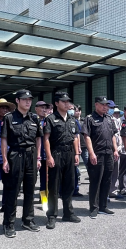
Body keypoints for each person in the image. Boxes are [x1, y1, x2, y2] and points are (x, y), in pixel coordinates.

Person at [1, 90, 43, 238]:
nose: (28, 102)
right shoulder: (9, 118)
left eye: (30, 99)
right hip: (16, 155)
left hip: (31, 156)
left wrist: (38, 157)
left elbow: (38, 138)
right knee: (13, 191)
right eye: (24, 99)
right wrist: (5, 160)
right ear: (17, 101)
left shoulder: (34, 118)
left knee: (30, 190)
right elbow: (4, 139)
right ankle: (9, 223)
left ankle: (28, 220)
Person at [43, 92, 81, 229]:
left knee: (69, 184)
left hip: (69, 153)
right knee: (54, 186)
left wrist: (76, 153)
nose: (67, 104)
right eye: (63, 101)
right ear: (56, 103)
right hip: (56, 153)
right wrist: (49, 156)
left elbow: (75, 137)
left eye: (68, 101)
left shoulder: (72, 119)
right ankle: (52, 215)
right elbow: (46, 138)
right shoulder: (51, 119)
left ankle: (68, 213)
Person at [82, 96, 119, 219]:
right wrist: (91, 153)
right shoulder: (90, 118)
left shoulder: (109, 118)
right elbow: (86, 136)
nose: (105, 107)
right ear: (96, 104)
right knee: (95, 181)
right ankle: (94, 208)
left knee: (107, 180)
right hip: (97, 154)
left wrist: (115, 150)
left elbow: (113, 135)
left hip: (109, 153)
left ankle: (103, 206)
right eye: (102, 104)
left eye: (106, 105)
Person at [109, 107, 124, 200]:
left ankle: (113, 191)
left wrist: (120, 147)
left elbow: (120, 135)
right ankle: (105, 193)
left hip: (117, 150)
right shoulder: (109, 121)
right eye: (115, 113)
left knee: (116, 172)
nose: (117, 115)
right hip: (109, 149)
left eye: (118, 113)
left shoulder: (119, 122)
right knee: (108, 172)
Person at [71, 103, 84, 198]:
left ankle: (75, 190)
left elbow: (77, 135)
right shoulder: (54, 119)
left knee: (75, 170)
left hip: (75, 149)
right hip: (63, 150)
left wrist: (78, 148)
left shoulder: (74, 121)